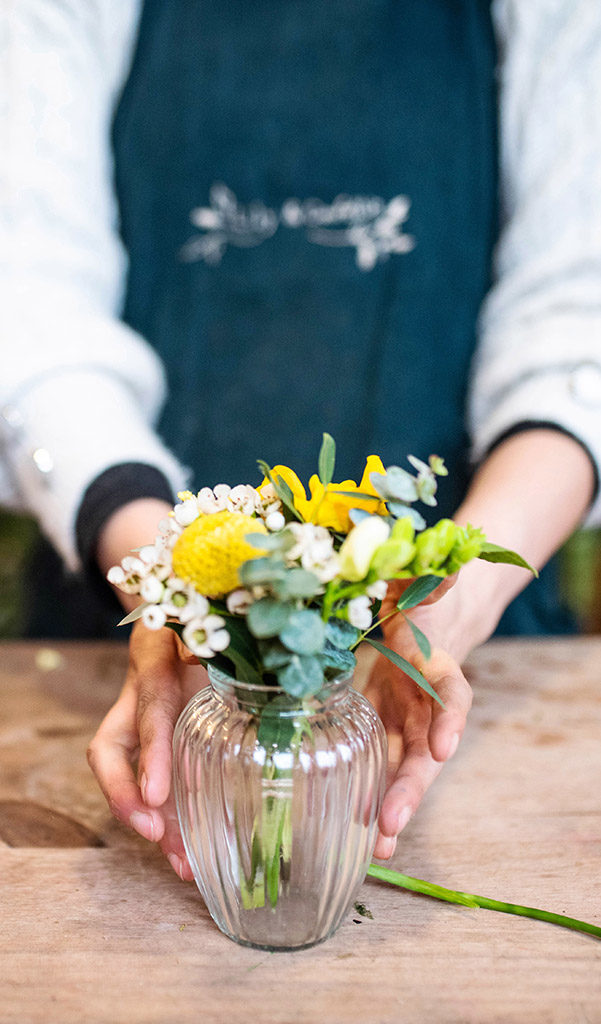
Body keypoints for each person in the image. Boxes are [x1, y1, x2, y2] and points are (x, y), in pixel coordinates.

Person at [2, 1, 600, 874]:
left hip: (470, 661)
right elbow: (29, 313)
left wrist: (445, 607)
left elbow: (578, 332)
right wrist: (182, 605)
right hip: (131, 636)